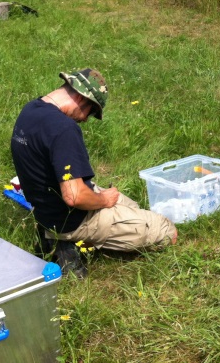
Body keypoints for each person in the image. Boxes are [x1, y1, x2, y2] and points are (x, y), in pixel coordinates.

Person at [11, 68, 177, 277]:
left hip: (46, 212)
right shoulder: (64, 129)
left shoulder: (31, 110)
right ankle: (65, 241)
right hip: (73, 220)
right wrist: (102, 200)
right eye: (91, 112)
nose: (86, 120)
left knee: (132, 206)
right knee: (168, 232)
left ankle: (56, 236)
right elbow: (74, 196)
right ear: (83, 99)